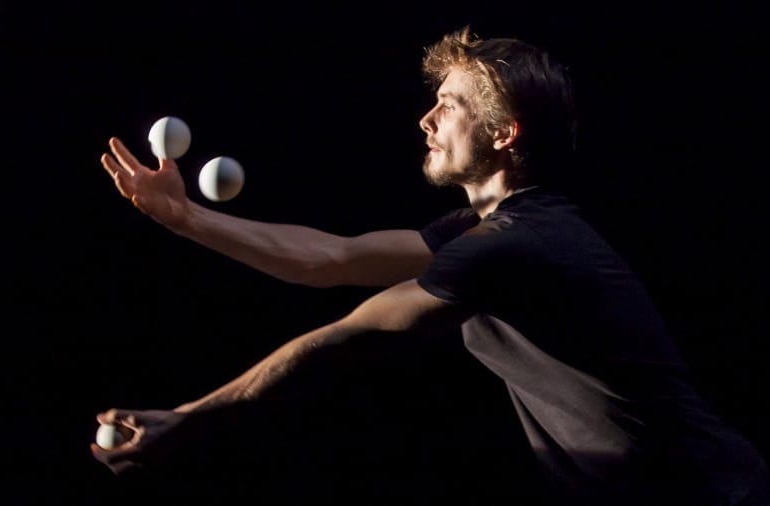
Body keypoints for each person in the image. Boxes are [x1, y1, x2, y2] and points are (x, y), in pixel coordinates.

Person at [92, 26, 769, 505]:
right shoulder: (487, 228)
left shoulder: (517, 243)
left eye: (448, 105)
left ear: (502, 134)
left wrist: (191, 416)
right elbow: (333, 259)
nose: (426, 119)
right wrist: (185, 219)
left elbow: (344, 339)